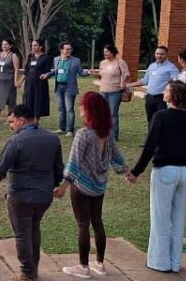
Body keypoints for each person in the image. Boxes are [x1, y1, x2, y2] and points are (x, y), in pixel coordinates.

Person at [130, 81, 186, 273]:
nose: (164, 92)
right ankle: (174, 261)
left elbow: (150, 145)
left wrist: (136, 171)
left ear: (172, 96)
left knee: (161, 218)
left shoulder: (161, 116)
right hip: (183, 172)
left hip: (165, 171)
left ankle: (159, 262)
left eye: (167, 90)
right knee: (178, 219)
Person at [56, 92, 131, 279]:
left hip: (81, 187)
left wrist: (64, 185)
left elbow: (74, 162)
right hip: (99, 187)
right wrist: (126, 172)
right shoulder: (106, 133)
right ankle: (99, 263)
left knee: (83, 224)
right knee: (97, 222)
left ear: (90, 111)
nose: (80, 109)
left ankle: (83, 267)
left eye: (83, 106)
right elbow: (117, 156)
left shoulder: (83, 134)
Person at [0, 104, 63, 281]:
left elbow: (0, 168)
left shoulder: (16, 141)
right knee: (33, 230)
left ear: (22, 120)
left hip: (20, 196)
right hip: (44, 196)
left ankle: (27, 273)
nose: (11, 126)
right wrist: (54, 185)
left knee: (22, 234)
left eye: (12, 121)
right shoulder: (52, 139)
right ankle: (34, 268)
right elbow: (58, 169)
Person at [132, 46, 179, 124]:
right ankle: (151, 135)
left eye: (162, 54)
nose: (159, 56)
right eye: (157, 54)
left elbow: (177, 83)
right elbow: (144, 81)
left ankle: (161, 136)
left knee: (161, 120)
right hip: (150, 97)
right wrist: (129, 84)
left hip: (162, 99)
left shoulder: (171, 67)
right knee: (150, 120)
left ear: (166, 55)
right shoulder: (152, 66)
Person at [91, 45, 129, 141]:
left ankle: (113, 136)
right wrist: (94, 73)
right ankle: (103, 133)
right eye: (104, 52)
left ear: (112, 52)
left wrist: (122, 82)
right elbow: (101, 75)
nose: (105, 53)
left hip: (115, 91)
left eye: (107, 52)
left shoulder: (120, 62)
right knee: (102, 113)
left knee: (113, 113)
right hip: (103, 90)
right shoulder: (103, 63)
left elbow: (126, 74)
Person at [52, 42, 90, 136]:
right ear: (61, 50)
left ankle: (70, 130)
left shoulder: (76, 60)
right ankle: (62, 128)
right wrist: (46, 75)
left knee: (69, 109)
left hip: (69, 87)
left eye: (70, 49)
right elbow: (55, 72)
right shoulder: (56, 59)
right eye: (67, 49)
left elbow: (81, 72)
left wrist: (88, 72)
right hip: (59, 86)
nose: (69, 51)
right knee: (60, 108)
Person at [22, 39, 53, 121]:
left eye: (35, 45)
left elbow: (48, 72)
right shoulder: (30, 56)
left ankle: (36, 121)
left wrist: (45, 75)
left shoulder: (46, 57)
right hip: (29, 83)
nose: (33, 47)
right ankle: (29, 120)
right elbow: (26, 71)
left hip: (40, 84)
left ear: (40, 46)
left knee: (38, 101)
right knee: (28, 100)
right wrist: (20, 81)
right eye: (32, 45)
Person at [0, 39, 20, 125]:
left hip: (9, 81)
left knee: (10, 100)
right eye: (3, 44)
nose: (4, 46)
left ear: (10, 46)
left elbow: (16, 69)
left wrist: (15, 81)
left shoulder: (13, 56)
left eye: (6, 44)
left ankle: (10, 119)